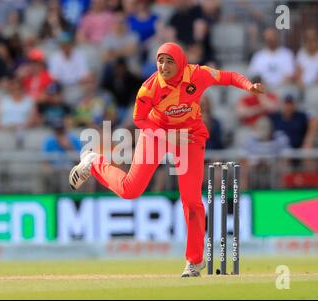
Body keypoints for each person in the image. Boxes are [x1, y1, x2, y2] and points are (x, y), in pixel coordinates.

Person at [68, 42, 264, 277]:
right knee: (130, 190)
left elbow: (228, 76)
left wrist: (248, 86)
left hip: (190, 137)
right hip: (157, 133)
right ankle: (95, 162)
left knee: (191, 200)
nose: (163, 66)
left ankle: (194, 261)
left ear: (180, 62)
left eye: (169, 61)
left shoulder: (197, 74)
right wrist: (165, 135)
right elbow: (139, 119)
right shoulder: (149, 88)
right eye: (160, 60)